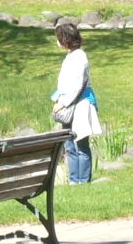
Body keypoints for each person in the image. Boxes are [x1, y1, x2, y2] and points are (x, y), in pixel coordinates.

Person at [52, 24, 102, 184]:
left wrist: (63, 103)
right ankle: (74, 181)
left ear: (65, 39)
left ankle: (83, 181)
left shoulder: (80, 57)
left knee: (81, 143)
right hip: (68, 105)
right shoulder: (70, 56)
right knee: (69, 146)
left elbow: (79, 85)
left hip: (80, 104)